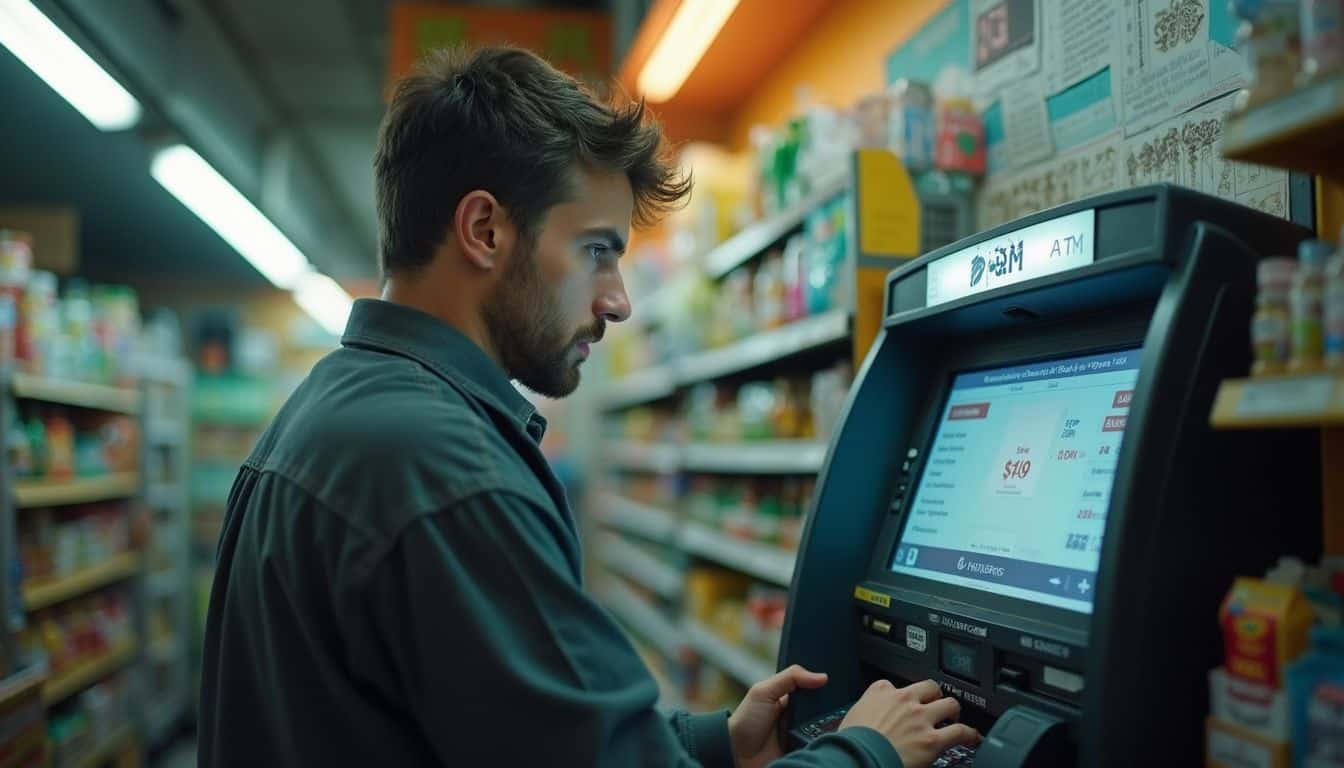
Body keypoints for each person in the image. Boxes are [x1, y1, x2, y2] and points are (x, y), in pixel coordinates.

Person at [198, 45, 981, 767]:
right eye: (597, 250)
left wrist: (708, 745)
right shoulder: (443, 470)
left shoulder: (338, 408)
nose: (619, 302)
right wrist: (867, 753)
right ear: (485, 230)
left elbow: (495, 732)